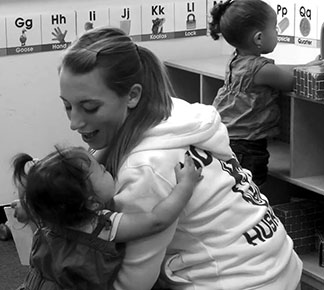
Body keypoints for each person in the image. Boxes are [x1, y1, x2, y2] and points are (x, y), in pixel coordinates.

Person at [58, 26, 302, 290]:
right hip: (280, 268)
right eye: (67, 105)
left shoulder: (146, 167)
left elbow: (134, 282)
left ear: (132, 96)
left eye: (90, 107)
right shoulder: (175, 114)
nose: (74, 122)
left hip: (242, 282)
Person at [12, 146, 202, 290]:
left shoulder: (52, 215)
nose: (104, 166)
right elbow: (157, 220)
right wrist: (185, 185)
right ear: (93, 203)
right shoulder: (102, 226)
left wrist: (26, 207)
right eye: (101, 171)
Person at [209, 0, 320, 186]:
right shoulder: (261, 70)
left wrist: (307, 65)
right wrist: (314, 70)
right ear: (259, 38)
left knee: (236, 189)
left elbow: (278, 70)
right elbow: (291, 81)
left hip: (228, 137)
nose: (277, 32)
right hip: (248, 146)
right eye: (275, 28)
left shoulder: (238, 60)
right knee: (252, 189)